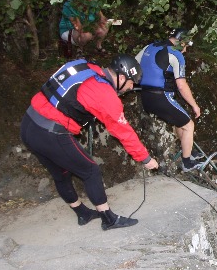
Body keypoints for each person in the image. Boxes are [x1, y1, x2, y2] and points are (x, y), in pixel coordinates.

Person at [20, 54, 159, 229]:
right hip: (50, 132)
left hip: (29, 124)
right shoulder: (103, 92)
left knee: (61, 173)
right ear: (122, 78)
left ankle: (82, 213)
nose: (131, 88)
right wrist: (145, 158)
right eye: (132, 83)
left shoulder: (84, 66)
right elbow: (123, 131)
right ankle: (108, 219)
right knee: (90, 170)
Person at [135, 27, 205, 171]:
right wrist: (195, 105)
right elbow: (181, 85)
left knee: (179, 120)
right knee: (189, 125)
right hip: (161, 97)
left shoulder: (149, 47)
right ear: (182, 41)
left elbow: (134, 64)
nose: (186, 49)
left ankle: (188, 150)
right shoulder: (175, 54)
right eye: (186, 45)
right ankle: (187, 163)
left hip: (146, 97)